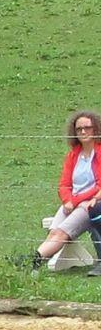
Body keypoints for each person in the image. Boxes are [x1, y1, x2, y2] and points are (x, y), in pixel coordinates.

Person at [32, 110, 101, 274]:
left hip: (89, 204)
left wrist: (77, 201)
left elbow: (99, 184)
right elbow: (64, 184)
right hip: (72, 202)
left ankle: (32, 261)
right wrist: (67, 200)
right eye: (79, 129)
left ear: (96, 129)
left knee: (62, 234)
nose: (83, 132)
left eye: (87, 128)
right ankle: (34, 265)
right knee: (53, 233)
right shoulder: (73, 155)